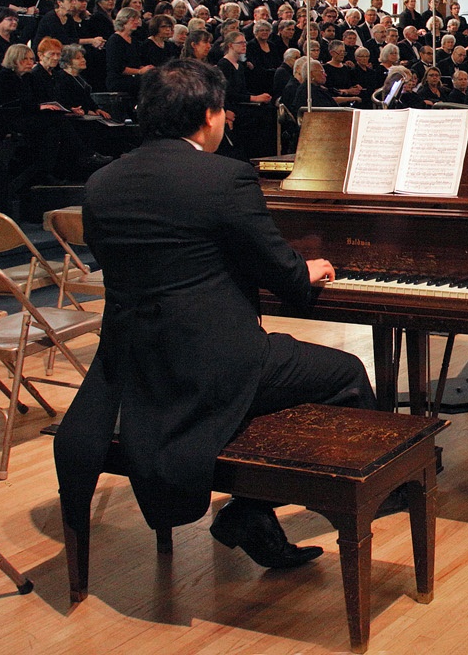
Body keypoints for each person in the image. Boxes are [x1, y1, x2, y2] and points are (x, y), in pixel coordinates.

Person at [53, 59, 377, 567]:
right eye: (223, 111)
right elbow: (278, 268)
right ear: (209, 115)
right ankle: (304, 501)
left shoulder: (101, 182)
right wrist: (305, 270)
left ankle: (254, 511)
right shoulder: (223, 176)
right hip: (209, 363)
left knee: (288, 374)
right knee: (347, 374)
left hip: (131, 362)